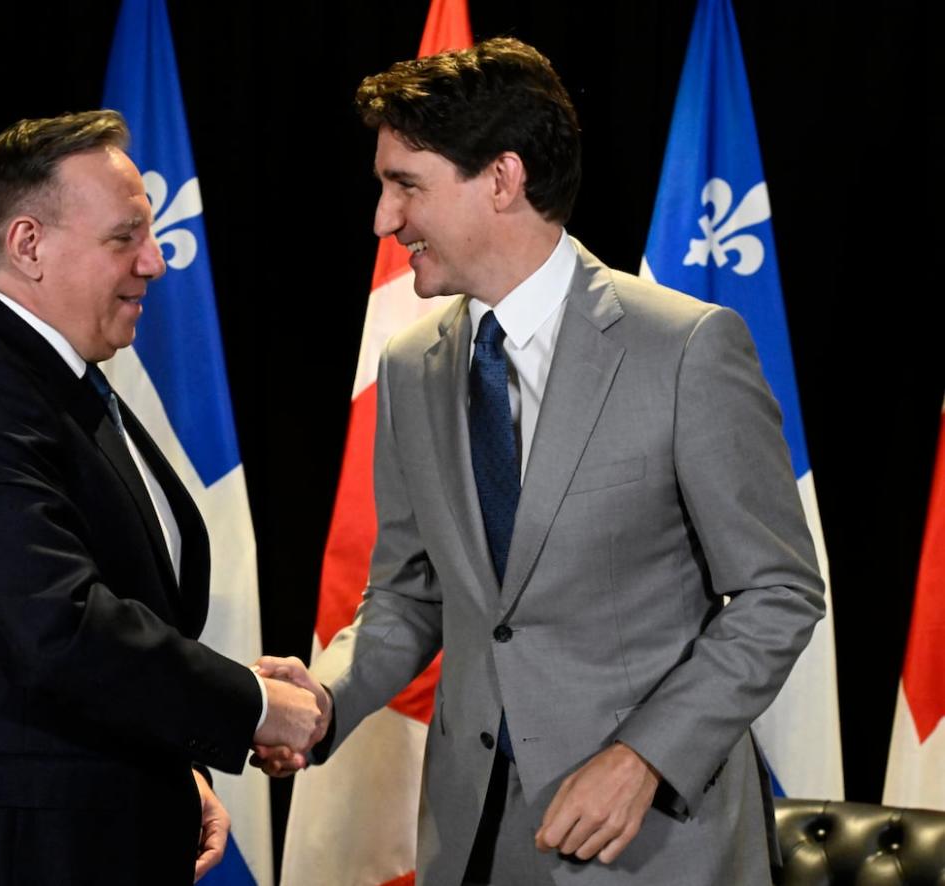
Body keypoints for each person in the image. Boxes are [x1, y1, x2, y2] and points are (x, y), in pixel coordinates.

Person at [254, 38, 824, 885]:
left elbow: (780, 593)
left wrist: (645, 756)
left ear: (503, 178)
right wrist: (328, 694)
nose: (383, 219)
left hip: (657, 842)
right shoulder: (412, 366)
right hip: (472, 839)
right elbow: (409, 593)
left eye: (405, 184)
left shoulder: (685, 349)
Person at [0, 110, 320, 886]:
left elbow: (92, 622)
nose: (155, 262)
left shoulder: (60, 385)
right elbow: (58, 627)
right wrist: (251, 705)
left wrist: (175, 769)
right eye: (124, 237)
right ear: (28, 245)